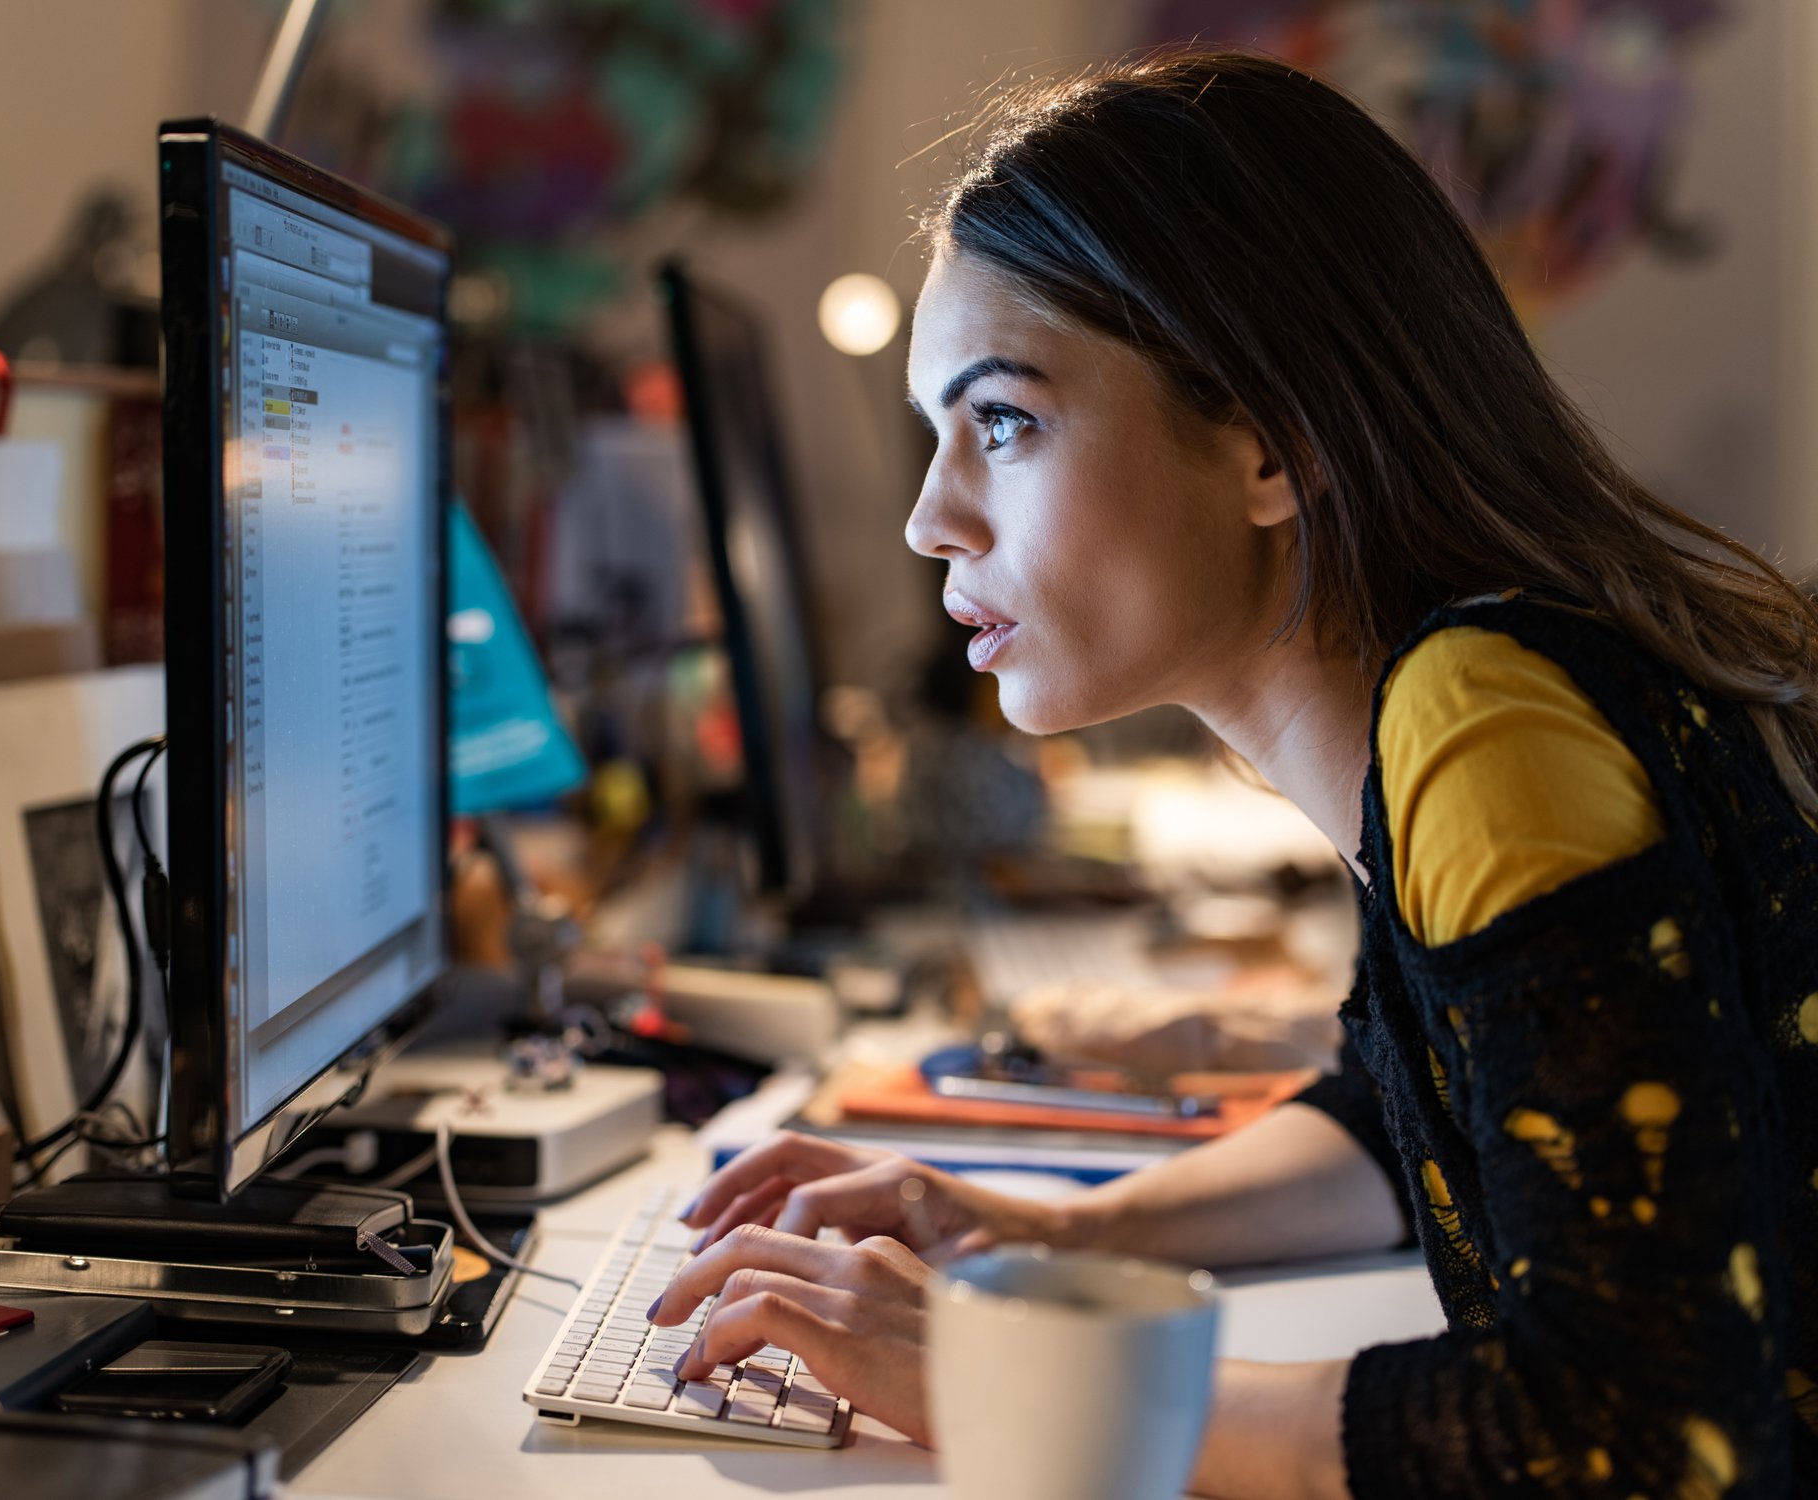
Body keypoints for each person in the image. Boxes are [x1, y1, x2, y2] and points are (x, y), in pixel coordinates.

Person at [642, 48, 1818, 1498]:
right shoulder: (1455, 692)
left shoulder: (1487, 718)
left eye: (1001, 421)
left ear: (1271, 439)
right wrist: (1037, 1240)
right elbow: (1417, 1122)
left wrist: (994, 1372)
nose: (929, 518)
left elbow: (1630, 1438)